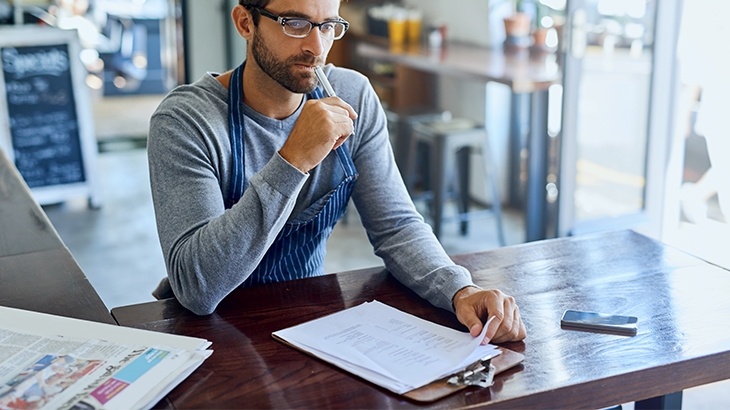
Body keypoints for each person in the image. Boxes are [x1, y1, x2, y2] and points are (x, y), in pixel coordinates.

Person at [148, 0, 526, 344]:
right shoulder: (186, 121)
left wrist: (460, 290)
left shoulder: (353, 95)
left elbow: (396, 226)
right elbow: (197, 288)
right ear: (246, 23)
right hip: (211, 336)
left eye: (328, 26)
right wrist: (293, 159)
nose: (316, 46)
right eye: (295, 23)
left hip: (310, 321)